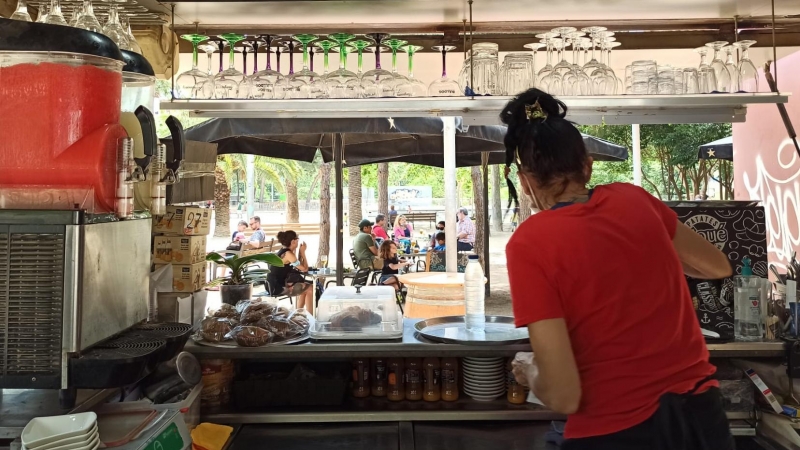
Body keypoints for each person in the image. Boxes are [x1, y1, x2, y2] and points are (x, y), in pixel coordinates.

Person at [502, 89, 734, 449]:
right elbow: (716, 265)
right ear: (588, 164)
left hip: (614, 431)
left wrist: (530, 371)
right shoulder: (634, 200)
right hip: (700, 418)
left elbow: (564, 396)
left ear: (525, 180)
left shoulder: (530, 243)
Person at [270, 230, 314, 314]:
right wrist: (303, 252)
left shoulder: (284, 251)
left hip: (275, 283)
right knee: (310, 289)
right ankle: (310, 318)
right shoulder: (288, 254)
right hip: (276, 287)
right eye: (297, 239)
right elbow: (304, 269)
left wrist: (300, 254)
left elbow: (298, 265)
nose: (298, 241)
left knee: (304, 288)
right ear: (293, 241)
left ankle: (297, 314)